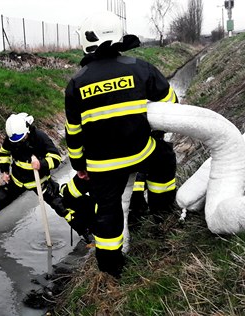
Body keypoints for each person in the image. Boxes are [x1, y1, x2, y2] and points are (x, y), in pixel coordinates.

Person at [64, 11, 178, 278]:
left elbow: (73, 132)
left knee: (107, 210)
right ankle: (162, 216)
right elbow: (171, 105)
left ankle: (110, 268)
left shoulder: (76, 83)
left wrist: (80, 166)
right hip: (141, 151)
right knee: (163, 159)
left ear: (88, 40)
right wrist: (156, 133)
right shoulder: (141, 67)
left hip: (102, 165)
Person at [0, 113, 67, 234]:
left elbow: (56, 158)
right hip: (17, 180)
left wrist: (41, 164)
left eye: (21, 138)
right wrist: (5, 171)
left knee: (60, 205)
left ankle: (86, 232)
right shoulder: (11, 138)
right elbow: (4, 153)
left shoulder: (40, 137)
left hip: (39, 180)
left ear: (27, 130)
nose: (18, 142)